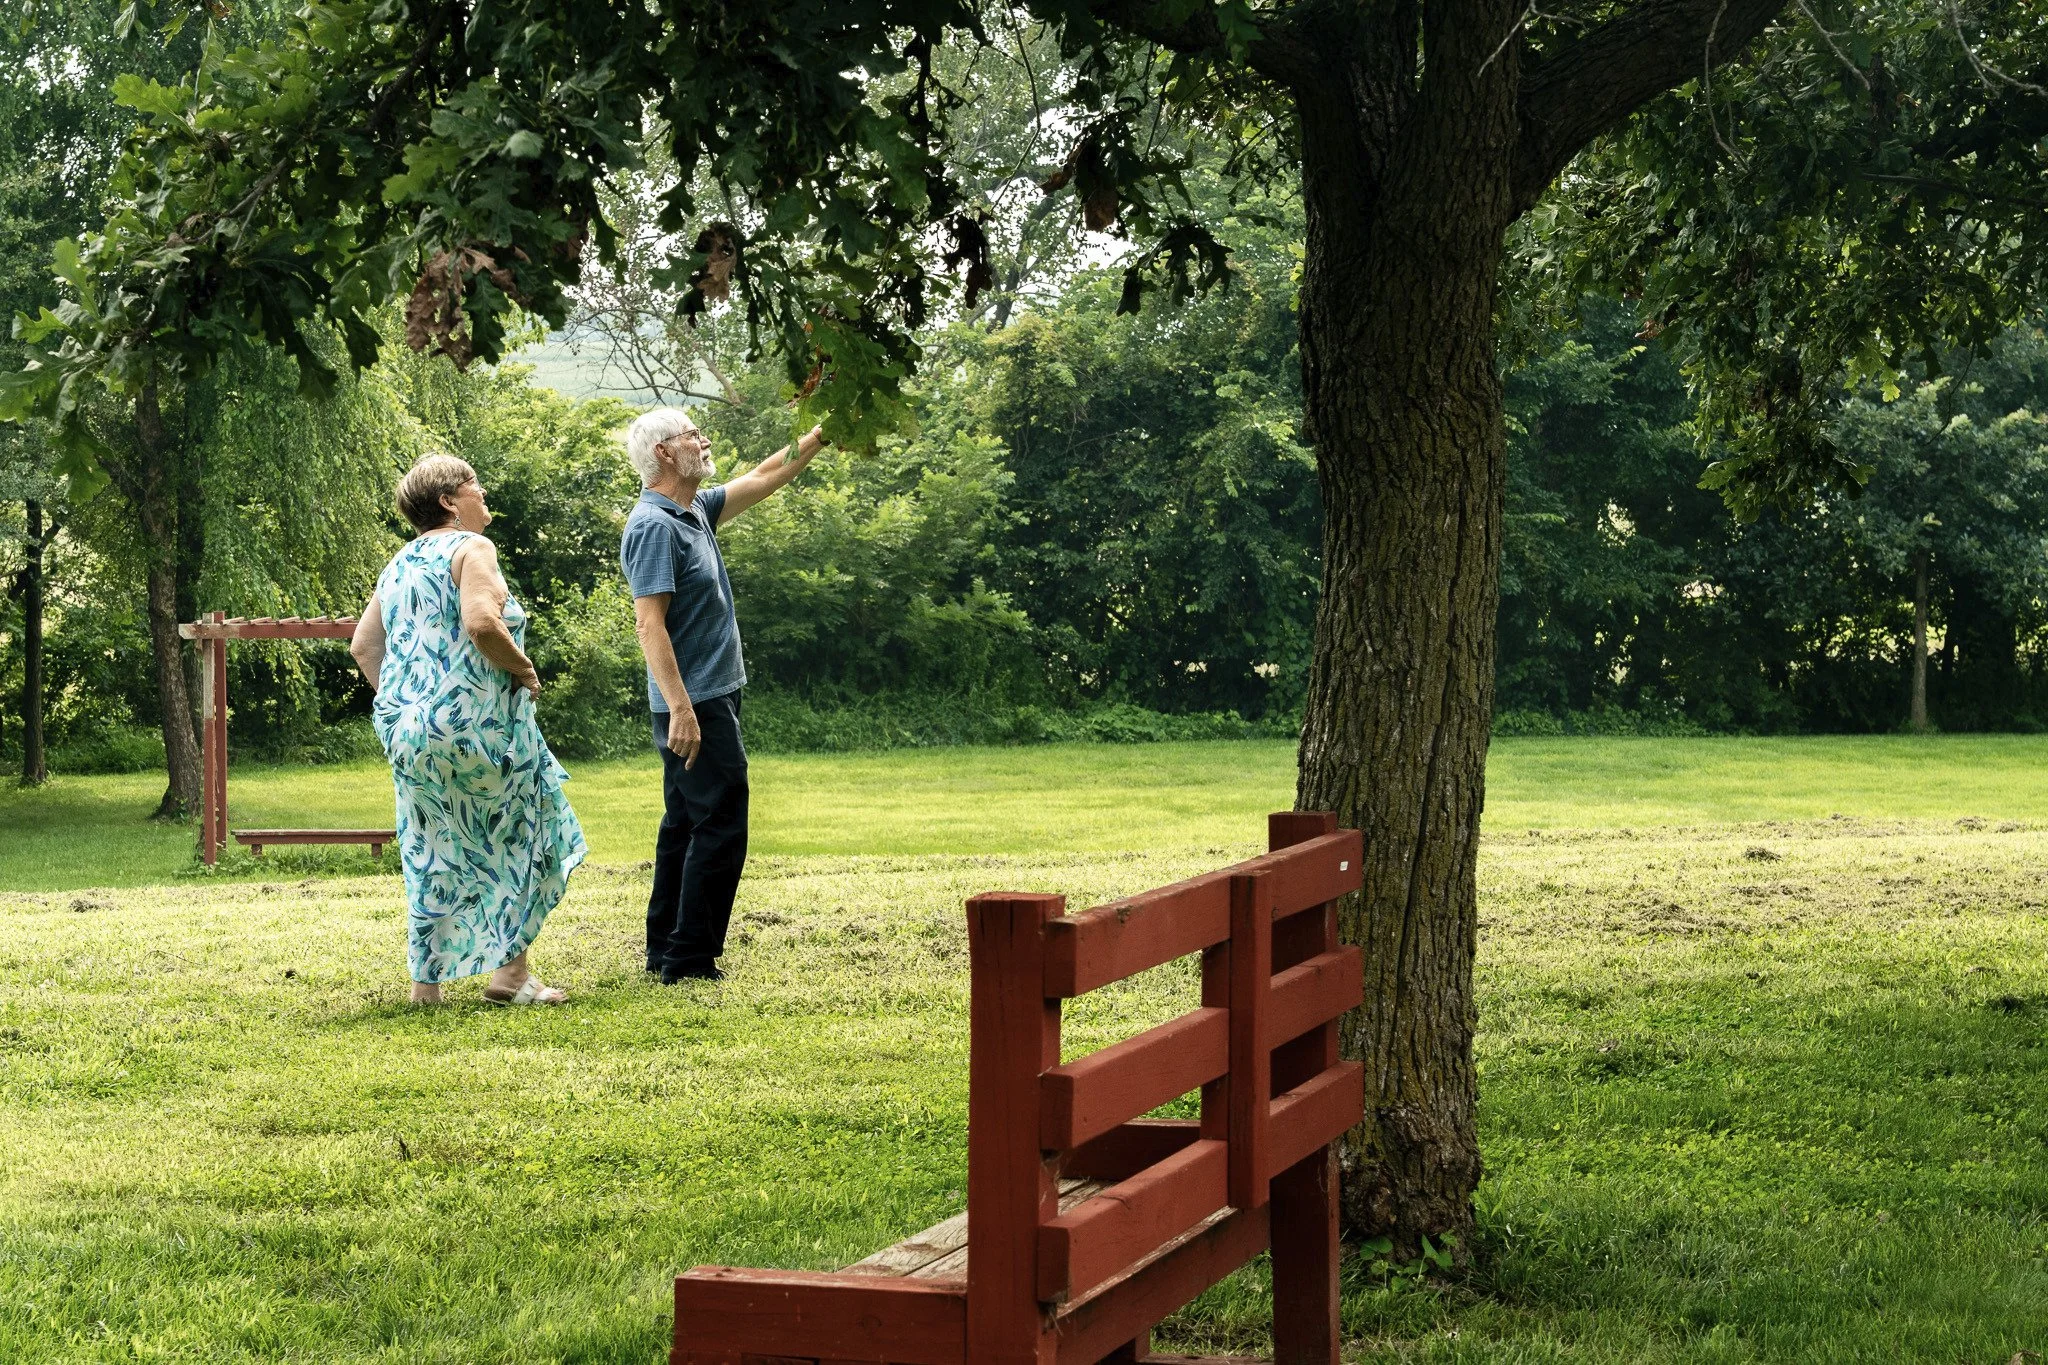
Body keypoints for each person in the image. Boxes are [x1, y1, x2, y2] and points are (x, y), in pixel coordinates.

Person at [349, 454, 588, 1005]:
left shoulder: (399, 564)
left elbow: (364, 646)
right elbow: (481, 622)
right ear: (448, 503)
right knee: (528, 828)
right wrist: (524, 669)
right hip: (478, 726)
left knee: (431, 847)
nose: (483, 494)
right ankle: (510, 976)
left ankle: (425, 990)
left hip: (407, 730)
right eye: (473, 485)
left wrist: (407, 700)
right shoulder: (472, 548)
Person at [621, 407, 825, 983]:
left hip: (711, 697)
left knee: (686, 822)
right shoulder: (654, 526)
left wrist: (821, 435)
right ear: (664, 452)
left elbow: (764, 475)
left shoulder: (692, 512)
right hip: (694, 701)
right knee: (721, 820)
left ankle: (666, 948)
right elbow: (649, 626)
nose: (702, 440)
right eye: (691, 435)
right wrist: (682, 709)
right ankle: (688, 959)